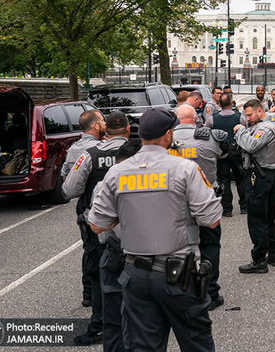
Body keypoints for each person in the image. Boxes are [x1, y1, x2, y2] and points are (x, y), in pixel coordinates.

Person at [88, 108, 222, 352]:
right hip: (178, 273)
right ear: (168, 135)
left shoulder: (117, 172)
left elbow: (97, 224)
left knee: (143, 346)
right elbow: (212, 219)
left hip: (134, 274)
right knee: (196, 342)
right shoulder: (185, 168)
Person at [63, 111, 130, 346]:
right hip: (136, 225)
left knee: (100, 276)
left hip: (98, 226)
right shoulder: (140, 151)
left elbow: (69, 190)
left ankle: (101, 326)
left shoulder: (89, 154)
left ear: (106, 131)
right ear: (128, 129)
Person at [169, 104, 228, 311]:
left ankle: (182, 289)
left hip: (173, 202)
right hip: (206, 197)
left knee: (176, 246)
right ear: (195, 119)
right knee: (210, 244)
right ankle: (210, 292)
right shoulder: (208, 137)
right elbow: (222, 155)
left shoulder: (165, 139)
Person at [95, 140, 141, 352]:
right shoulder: (155, 182)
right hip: (139, 258)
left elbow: (96, 223)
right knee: (145, 325)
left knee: (113, 323)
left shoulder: (106, 182)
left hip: (114, 253)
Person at [61, 109, 106, 308]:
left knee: (89, 250)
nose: (105, 124)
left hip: (84, 206)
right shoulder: (100, 149)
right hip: (101, 207)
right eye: (103, 121)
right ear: (95, 126)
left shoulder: (73, 149)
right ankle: (101, 292)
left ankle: (88, 292)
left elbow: (66, 177)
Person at [235, 99, 275, 274]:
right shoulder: (267, 125)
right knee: (268, 215)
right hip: (268, 173)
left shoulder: (265, 128)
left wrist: (240, 132)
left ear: (260, 112)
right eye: (245, 116)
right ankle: (273, 253)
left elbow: (251, 145)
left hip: (260, 175)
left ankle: (259, 259)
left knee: (257, 217)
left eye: (249, 115)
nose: (247, 119)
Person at [210, 90, 247, 216]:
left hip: (221, 152)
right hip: (236, 152)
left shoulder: (213, 119)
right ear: (231, 103)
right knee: (240, 179)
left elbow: (207, 131)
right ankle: (244, 206)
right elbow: (246, 129)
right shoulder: (239, 117)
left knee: (223, 180)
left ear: (219, 105)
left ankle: (227, 209)